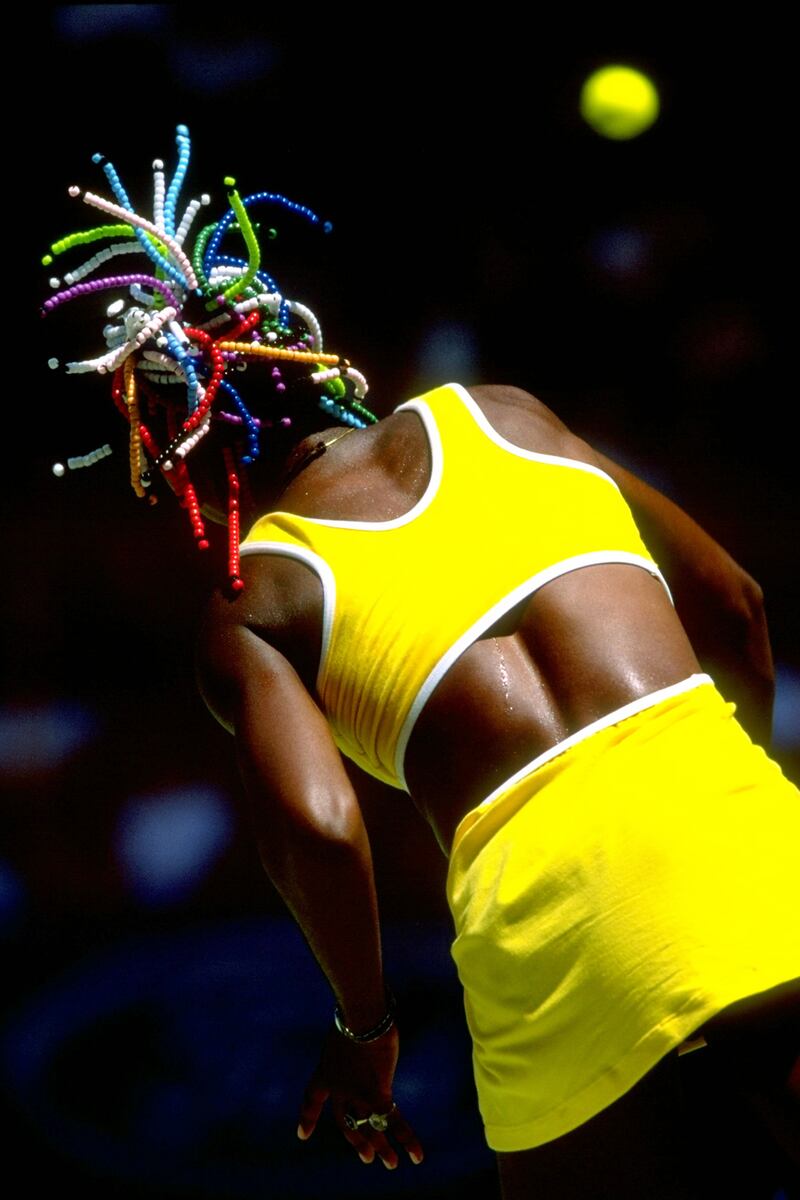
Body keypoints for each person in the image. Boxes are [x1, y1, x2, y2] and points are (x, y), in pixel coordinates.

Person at [44, 127, 799, 1199]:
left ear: (184, 446)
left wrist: (364, 1028)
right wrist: (726, 823)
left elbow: (317, 824)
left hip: (559, 955)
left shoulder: (253, 598)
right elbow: (735, 608)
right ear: (315, 356)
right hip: (763, 861)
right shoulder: (506, 415)